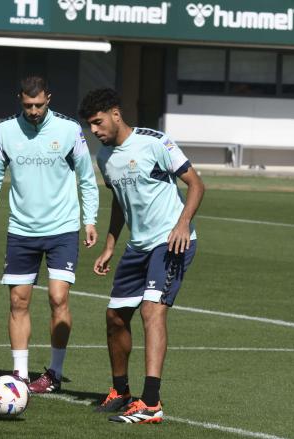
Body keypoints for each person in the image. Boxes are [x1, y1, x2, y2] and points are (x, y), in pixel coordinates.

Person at [78, 88, 205, 423]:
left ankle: (151, 403)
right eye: (90, 125)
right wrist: (109, 245)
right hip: (138, 246)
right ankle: (121, 391)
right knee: (115, 317)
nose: (94, 130)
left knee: (152, 310)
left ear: (115, 114)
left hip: (172, 241)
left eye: (98, 122)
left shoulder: (155, 142)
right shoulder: (104, 158)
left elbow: (196, 184)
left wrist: (182, 224)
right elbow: (120, 202)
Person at [0, 76, 99, 394]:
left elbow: (87, 178)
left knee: (58, 297)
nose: (33, 111)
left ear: (49, 98)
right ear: (20, 99)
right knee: (18, 301)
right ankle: (19, 375)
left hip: (63, 229)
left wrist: (90, 220)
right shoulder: (5, 131)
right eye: (28, 105)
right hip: (21, 231)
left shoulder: (69, 130)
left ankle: (54, 374)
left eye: (39, 105)